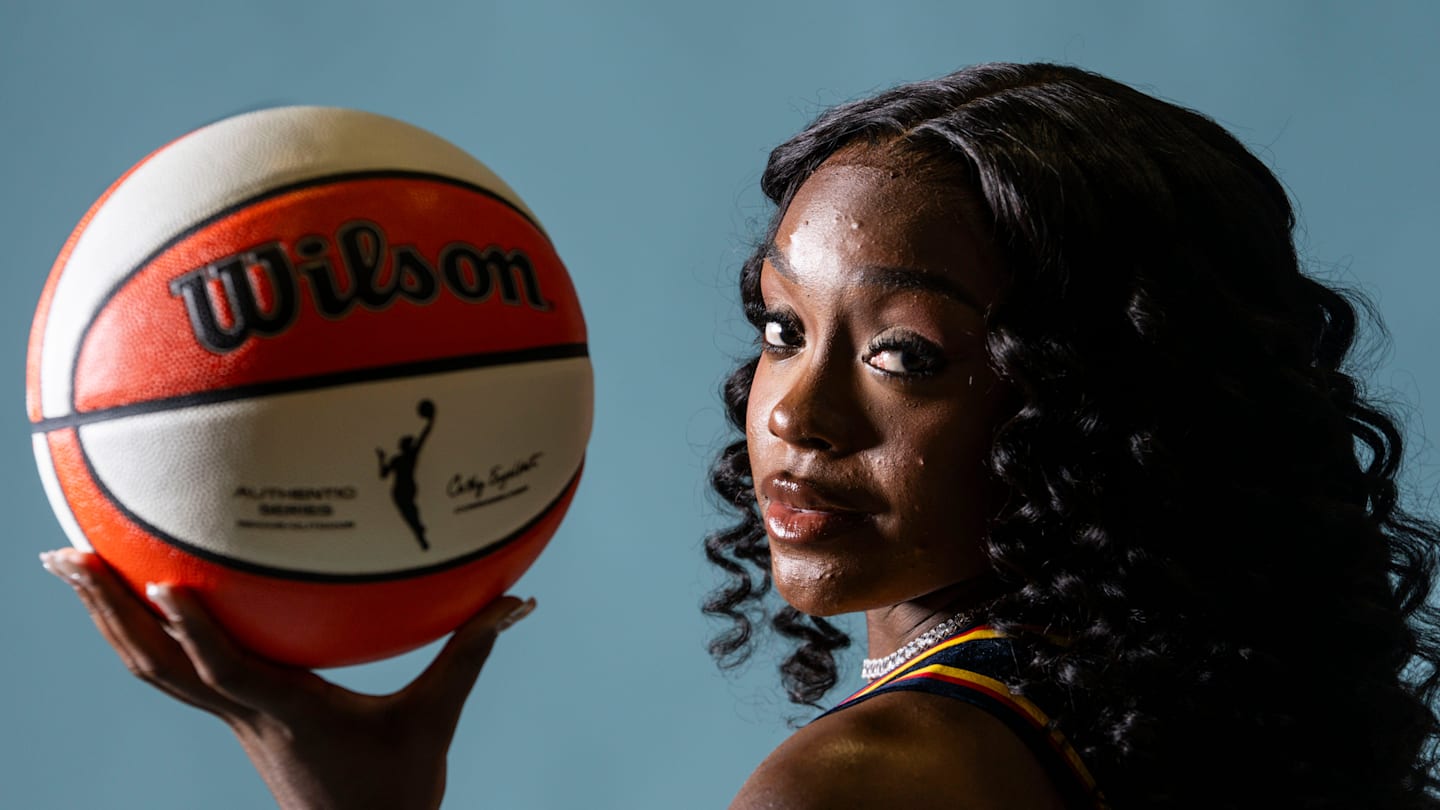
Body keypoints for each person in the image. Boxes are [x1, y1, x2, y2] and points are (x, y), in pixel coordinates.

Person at [39, 62, 1440, 809]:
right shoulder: (1200, 733)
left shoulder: (869, 786)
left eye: (904, 355)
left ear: (1098, 401)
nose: (796, 415)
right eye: (780, 327)